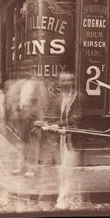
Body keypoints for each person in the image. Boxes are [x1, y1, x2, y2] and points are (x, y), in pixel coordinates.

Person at [40, 71, 82, 209]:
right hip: (62, 140)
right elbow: (54, 116)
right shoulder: (58, 98)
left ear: (73, 82)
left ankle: (64, 201)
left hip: (74, 140)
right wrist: (45, 123)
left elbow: (77, 118)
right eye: (62, 81)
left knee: (67, 171)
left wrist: (58, 124)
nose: (64, 83)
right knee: (64, 171)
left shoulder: (78, 97)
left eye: (67, 81)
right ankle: (66, 199)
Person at [12, 70, 48, 177]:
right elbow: (21, 100)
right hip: (24, 115)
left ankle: (32, 168)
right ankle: (21, 166)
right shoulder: (24, 84)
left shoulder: (39, 85)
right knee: (23, 142)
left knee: (33, 143)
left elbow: (42, 103)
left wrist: (38, 117)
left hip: (34, 116)